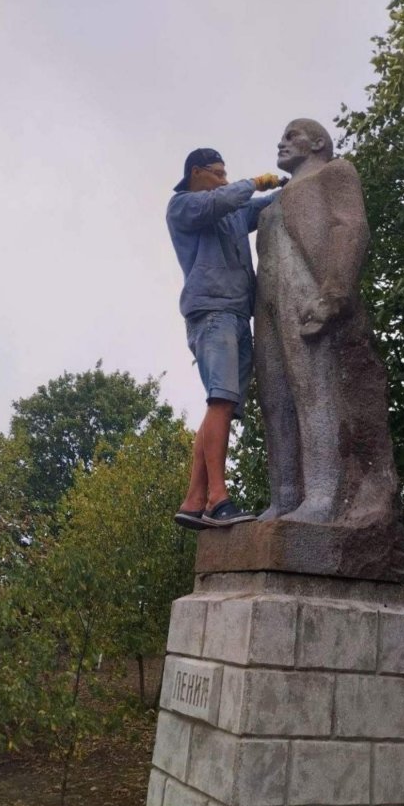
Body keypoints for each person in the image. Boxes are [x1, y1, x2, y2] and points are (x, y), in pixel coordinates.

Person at [255, 119, 403, 545]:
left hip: (308, 287)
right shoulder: (273, 200)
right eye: (281, 136)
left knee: (313, 390)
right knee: (275, 397)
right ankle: (284, 496)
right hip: (266, 297)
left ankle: (323, 494)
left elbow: (350, 226)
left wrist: (334, 292)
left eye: (292, 135)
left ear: (318, 142)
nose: (281, 143)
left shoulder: (335, 172)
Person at [167, 148, 282, 529]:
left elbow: (263, 207)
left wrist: (297, 185)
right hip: (211, 313)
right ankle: (219, 498)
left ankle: (194, 499)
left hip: (237, 314)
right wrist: (253, 182)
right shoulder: (183, 206)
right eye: (217, 173)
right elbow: (227, 198)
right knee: (220, 399)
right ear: (196, 172)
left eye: (226, 173)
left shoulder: (231, 210)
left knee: (223, 406)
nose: (224, 179)